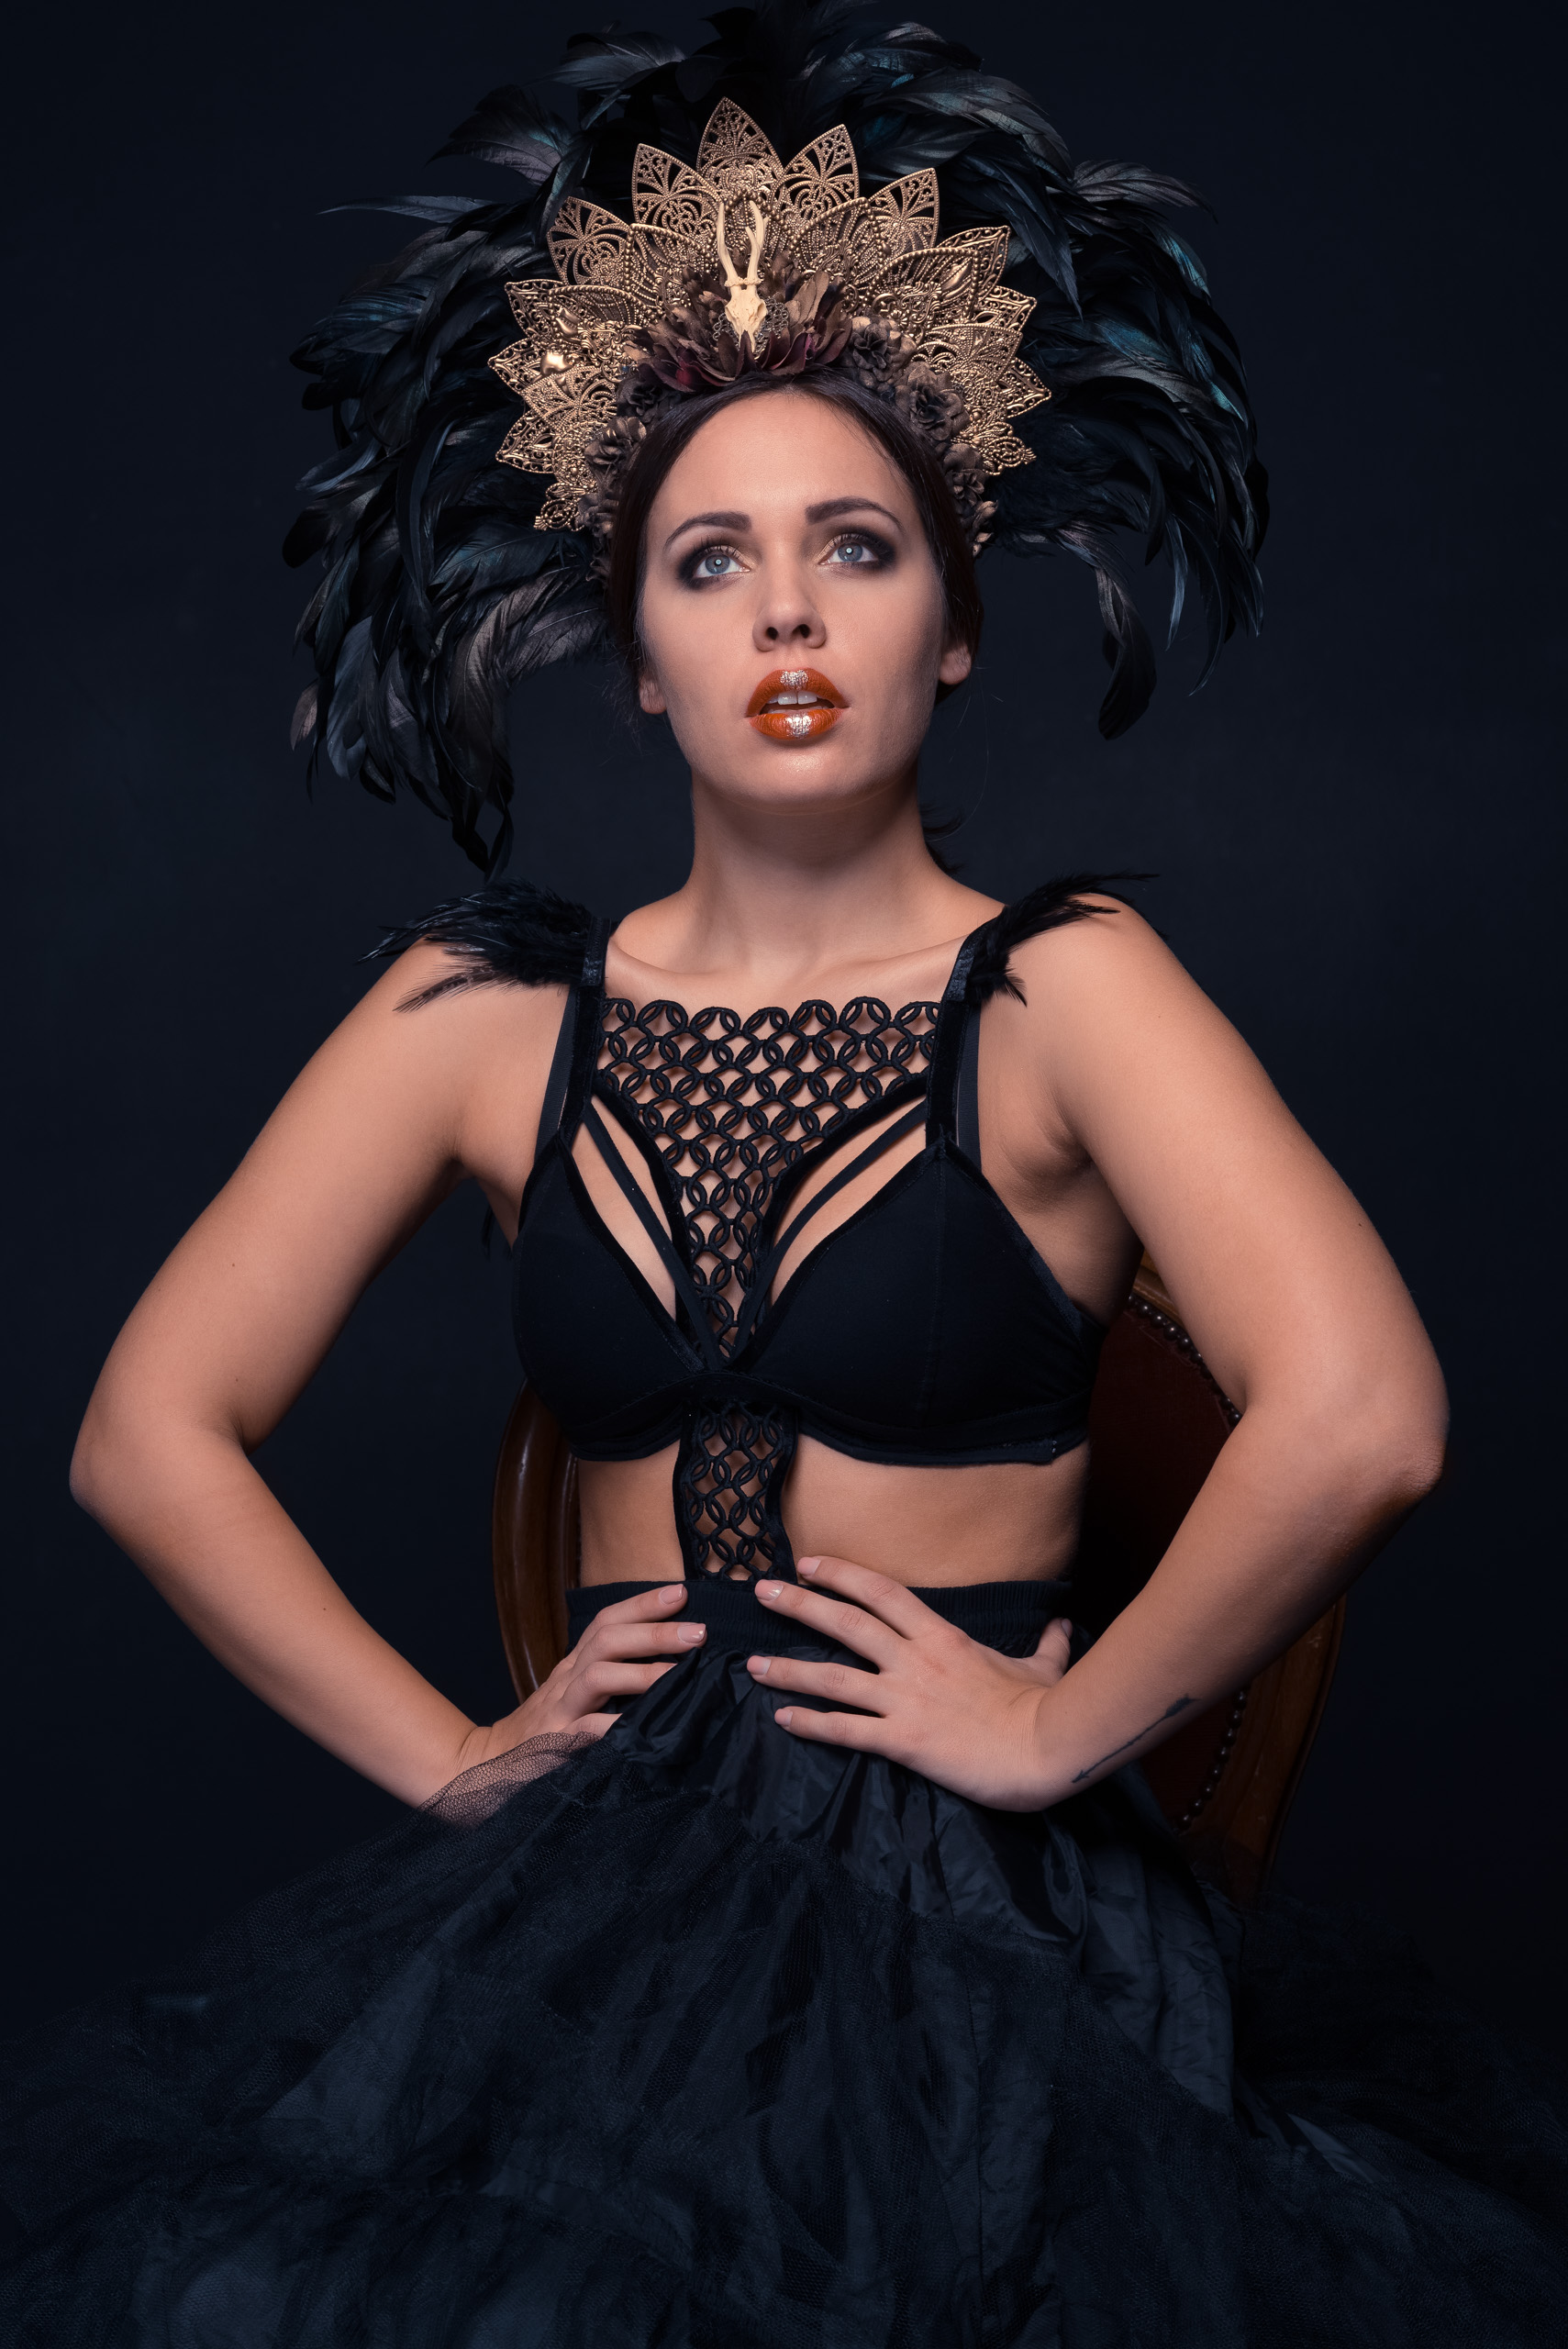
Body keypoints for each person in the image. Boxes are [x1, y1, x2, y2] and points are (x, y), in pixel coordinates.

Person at [4, 13, 1563, 2343]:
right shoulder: (479, 1013)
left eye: (857, 546)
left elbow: (1367, 1413)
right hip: (589, 1905)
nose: (789, 614)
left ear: (955, 619)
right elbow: (147, 1433)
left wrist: (1053, 1728)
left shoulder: (1065, 990)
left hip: (976, 1924)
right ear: (640, 657)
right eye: (710, 561)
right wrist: (455, 1760)